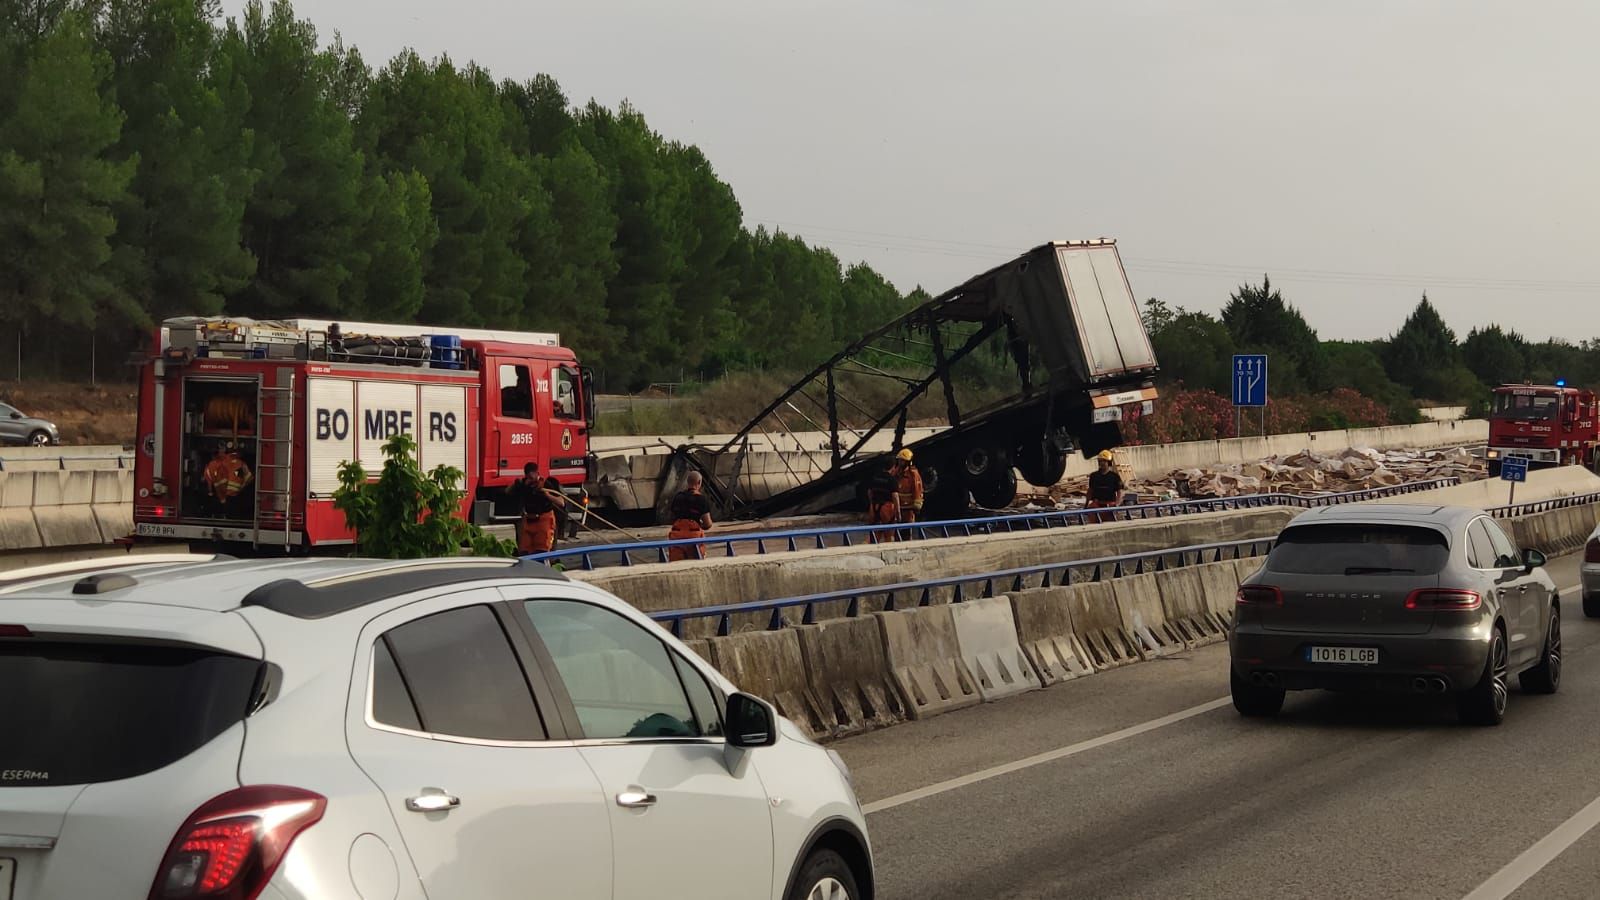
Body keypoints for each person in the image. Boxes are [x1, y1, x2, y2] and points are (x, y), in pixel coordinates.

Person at [507, 462, 564, 554]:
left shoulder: (546, 484)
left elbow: (561, 502)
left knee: (542, 550)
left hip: (544, 520)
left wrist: (547, 495)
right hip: (529, 520)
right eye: (529, 478)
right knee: (524, 551)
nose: (531, 480)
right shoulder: (524, 484)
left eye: (533, 478)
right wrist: (516, 484)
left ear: (537, 473)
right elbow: (508, 492)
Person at [666, 470, 714, 561]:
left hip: (677, 538)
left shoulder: (678, 497)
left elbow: (670, 518)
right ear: (699, 482)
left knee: (677, 565)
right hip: (694, 538)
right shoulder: (701, 499)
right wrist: (700, 524)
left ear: (687, 482)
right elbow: (708, 524)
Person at [865, 461, 901, 542]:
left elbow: (869, 492)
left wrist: (871, 503)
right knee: (889, 534)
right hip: (887, 508)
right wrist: (898, 513)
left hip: (874, 507)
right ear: (893, 467)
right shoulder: (892, 480)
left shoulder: (875, 477)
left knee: (874, 535)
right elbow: (895, 496)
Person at [1086, 449, 1124, 523]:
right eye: (1100, 461)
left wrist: (1117, 504)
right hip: (1096, 505)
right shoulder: (1094, 476)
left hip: (1110, 505)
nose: (1102, 463)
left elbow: (1119, 491)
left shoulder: (1114, 476)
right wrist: (1086, 505)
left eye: (1104, 461)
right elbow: (1090, 490)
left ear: (1109, 463)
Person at [891, 448, 924, 524]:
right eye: (899, 460)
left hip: (909, 508)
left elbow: (917, 490)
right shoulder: (895, 472)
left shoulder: (913, 474)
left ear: (908, 462)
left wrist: (917, 506)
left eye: (902, 461)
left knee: (907, 531)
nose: (900, 462)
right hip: (897, 506)